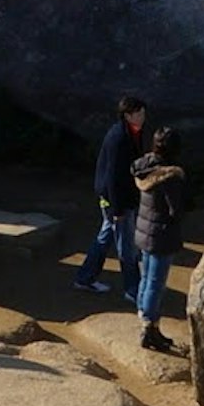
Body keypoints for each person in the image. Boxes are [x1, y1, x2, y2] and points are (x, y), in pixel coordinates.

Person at [72, 93, 149, 296]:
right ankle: (133, 290)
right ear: (128, 115)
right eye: (139, 113)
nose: (143, 117)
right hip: (117, 200)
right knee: (127, 247)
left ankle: (85, 277)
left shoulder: (133, 132)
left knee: (105, 237)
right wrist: (117, 209)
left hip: (121, 198)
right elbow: (113, 177)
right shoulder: (119, 138)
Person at [128, 126, 188, 354]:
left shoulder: (144, 166)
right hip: (162, 235)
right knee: (156, 282)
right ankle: (149, 329)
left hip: (144, 231)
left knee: (146, 278)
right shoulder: (170, 177)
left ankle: (146, 322)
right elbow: (176, 210)